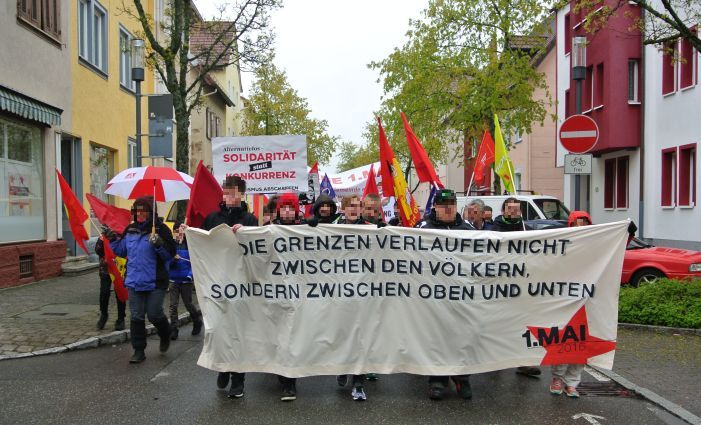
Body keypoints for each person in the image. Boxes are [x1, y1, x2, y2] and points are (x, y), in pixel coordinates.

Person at [200, 175, 258, 398]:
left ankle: (238, 378)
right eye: (225, 192)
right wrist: (186, 233)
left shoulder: (250, 219)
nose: (227, 196)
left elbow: (257, 249)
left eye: (232, 192)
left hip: (240, 284)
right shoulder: (212, 218)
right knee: (217, 329)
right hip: (217, 283)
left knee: (238, 332)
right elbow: (201, 243)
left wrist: (244, 233)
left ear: (242, 194)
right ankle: (223, 366)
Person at [416, 189, 474, 400]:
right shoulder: (423, 228)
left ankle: (461, 377)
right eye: (443, 204)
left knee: (462, 336)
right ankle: (438, 379)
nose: (448, 207)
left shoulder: (467, 228)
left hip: (461, 294)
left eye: (452, 203)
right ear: (435, 207)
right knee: (436, 337)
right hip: (433, 294)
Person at [109, 196, 176, 364]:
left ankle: (165, 333)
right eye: (136, 210)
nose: (139, 214)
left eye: (143, 211)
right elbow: (122, 251)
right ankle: (139, 350)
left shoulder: (161, 230)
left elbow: (169, 255)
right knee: (137, 316)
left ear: (151, 213)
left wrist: (159, 244)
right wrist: (111, 240)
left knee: (154, 314)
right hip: (134, 280)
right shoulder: (130, 229)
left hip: (156, 281)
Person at [492, 197, 540, 377]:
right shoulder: (495, 230)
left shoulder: (527, 229)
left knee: (521, 325)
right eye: (510, 208)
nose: (513, 212)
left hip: (521, 287)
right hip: (500, 286)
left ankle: (524, 362)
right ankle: (494, 360)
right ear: (503, 210)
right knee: (499, 326)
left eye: (517, 209)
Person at [550, 210, 593, 398]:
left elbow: (615, 247)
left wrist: (628, 233)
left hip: (588, 301)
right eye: (577, 223)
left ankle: (573, 382)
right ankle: (558, 378)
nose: (580, 226)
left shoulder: (597, 243)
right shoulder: (562, 244)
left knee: (582, 343)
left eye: (584, 222)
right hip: (566, 301)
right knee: (563, 341)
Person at [268, 193, 303, 400]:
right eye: (284, 208)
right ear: (279, 210)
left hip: (299, 294)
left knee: (292, 337)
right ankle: (282, 373)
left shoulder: (306, 229)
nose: (288, 211)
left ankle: (290, 382)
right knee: (278, 336)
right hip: (276, 292)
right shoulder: (268, 229)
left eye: (291, 208)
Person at [167, 220, 202, 341]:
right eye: (176, 231)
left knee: (188, 304)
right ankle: (174, 329)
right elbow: (167, 263)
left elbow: (195, 263)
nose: (178, 234)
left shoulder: (190, 245)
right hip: (173, 280)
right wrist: (173, 260)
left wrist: (190, 275)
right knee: (173, 305)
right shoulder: (171, 246)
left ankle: (196, 320)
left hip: (186, 281)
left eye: (181, 231)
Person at [94, 230, 126, 331]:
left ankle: (121, 319)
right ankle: (103, 315)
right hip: (106, 269)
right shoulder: (104, 234)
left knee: (120, 292)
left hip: (118, 268)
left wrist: (115, 240)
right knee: (104, 292)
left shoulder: (122, 234)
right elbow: (98, 250)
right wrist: (102, 240)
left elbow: (125, 250)